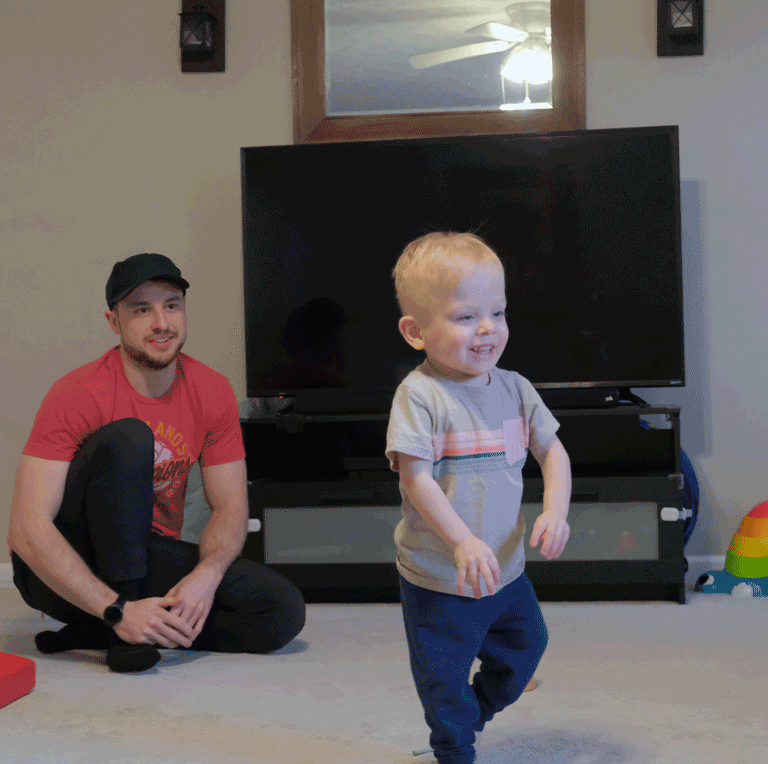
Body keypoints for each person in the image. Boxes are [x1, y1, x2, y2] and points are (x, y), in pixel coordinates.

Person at [8, 253, 305, 673]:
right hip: (62, 566)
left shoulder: (211, 390)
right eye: (141, 309)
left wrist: (207, 575)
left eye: (171, 305)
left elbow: (231, 507)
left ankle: (105, 631)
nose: (161, 322)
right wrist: (116, 609)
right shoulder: (76, 393)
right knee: (129, 437)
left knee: (280, 612)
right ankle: (118, 626)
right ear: (114, 322)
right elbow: (27, 528)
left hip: (144, 553)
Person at [386, 232, 572, 764]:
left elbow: (552, 453)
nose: (488, 328)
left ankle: (475, 713)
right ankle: (455, 746)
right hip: (440, 575)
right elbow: (415, 479)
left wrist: (555, 509)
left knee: (524, 653)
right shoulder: (420, 396)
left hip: (506, 567)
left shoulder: (515, 388)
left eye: (498, 311)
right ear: (415, 332)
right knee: (442, 678)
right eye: (466, 317)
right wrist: (462, 541)